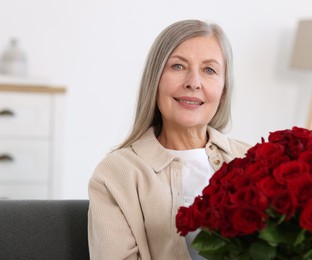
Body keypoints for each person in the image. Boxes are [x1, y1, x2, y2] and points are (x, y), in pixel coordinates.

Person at [88, 19, 251, 260]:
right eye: (177, 66)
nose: (193, 82)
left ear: (224, 89)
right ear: (155, 80)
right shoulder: (115, 174)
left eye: (209, 70)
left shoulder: (254, 160)